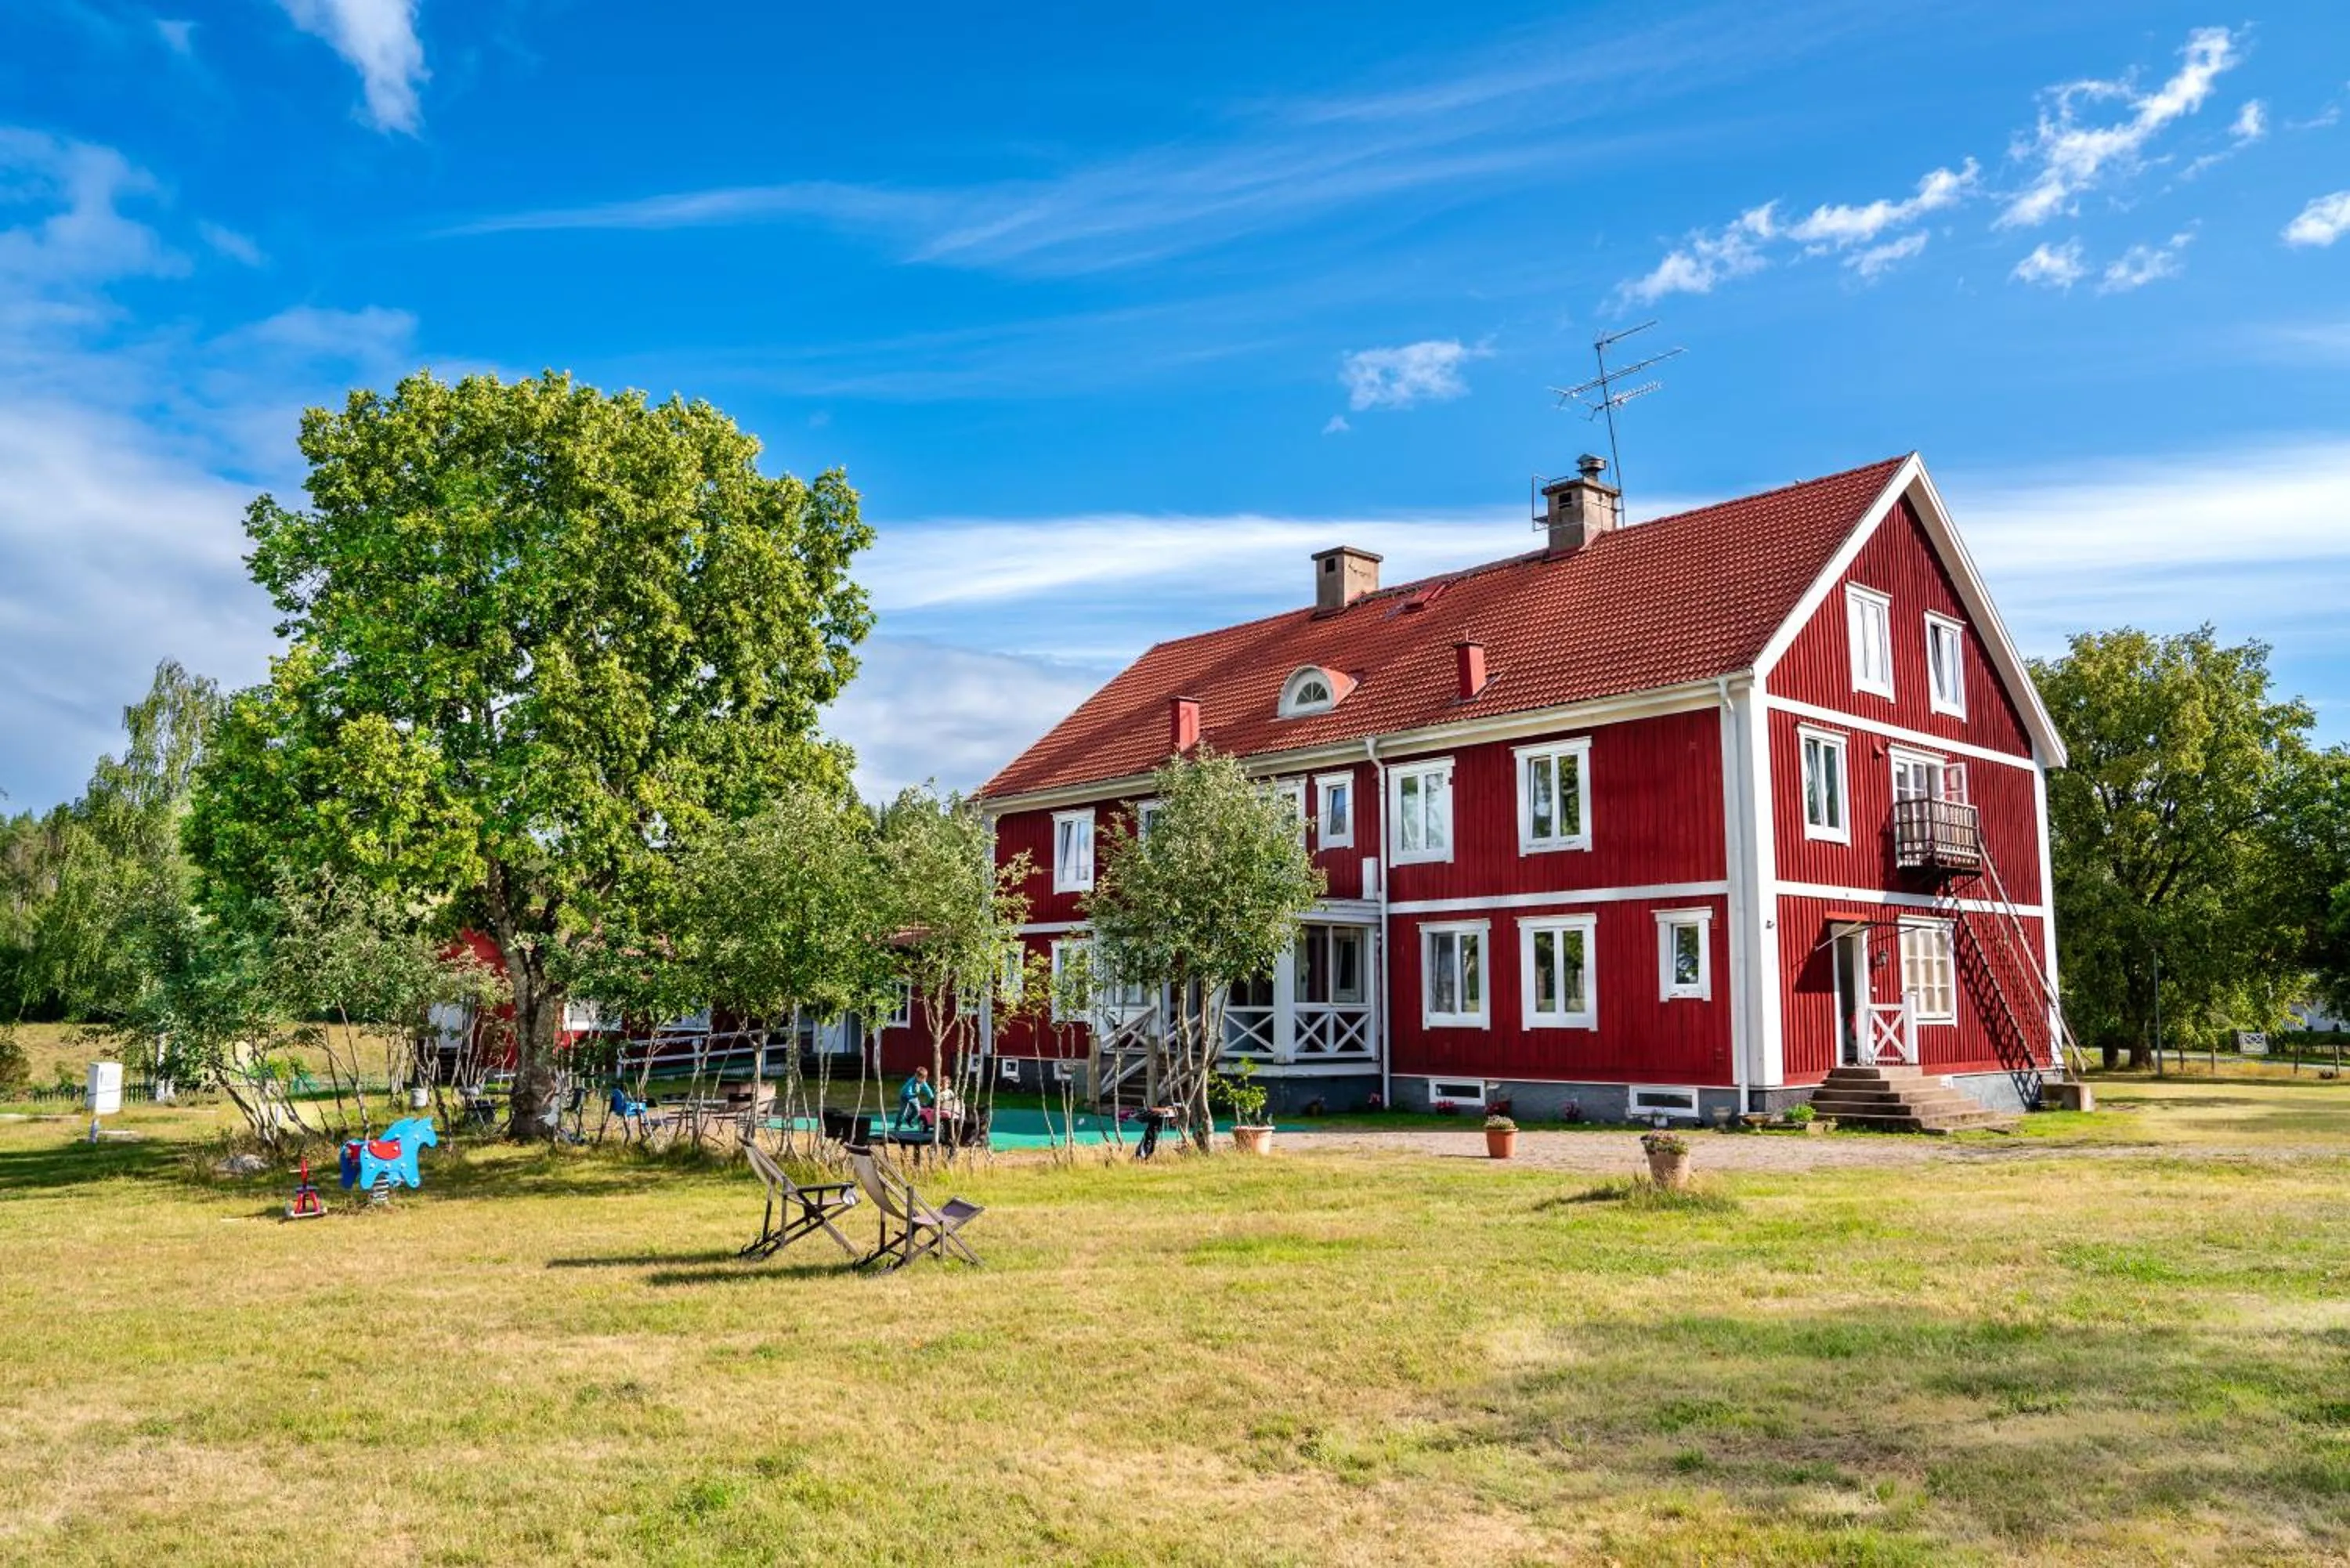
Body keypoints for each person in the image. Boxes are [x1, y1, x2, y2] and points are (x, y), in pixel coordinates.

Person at [896, 1066, 936, 1131]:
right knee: (903, 1112)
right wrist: (914, 1095)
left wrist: (932, 1097)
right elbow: (908, 1092)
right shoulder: (911, 1082)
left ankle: (909, 1119)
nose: (923, 1080)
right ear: (916, 1076)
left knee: (918, 1110)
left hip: (914, 1097)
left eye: (924, 1079)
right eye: (921, 1078)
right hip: (905, 1096)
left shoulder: (923, 1082)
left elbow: (928, 1090)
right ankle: (898, 1125)